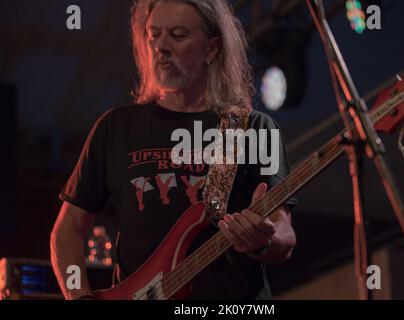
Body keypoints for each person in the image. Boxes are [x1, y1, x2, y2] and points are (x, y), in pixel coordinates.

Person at [50, 0, 297, 300]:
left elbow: (285, 235)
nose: (161, 46)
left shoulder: (252, 128)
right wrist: (78, 296)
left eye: (178, 35)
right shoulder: (116, 128)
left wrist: (263, 241)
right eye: (154, 35)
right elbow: (69, 227)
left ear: (212, 49)